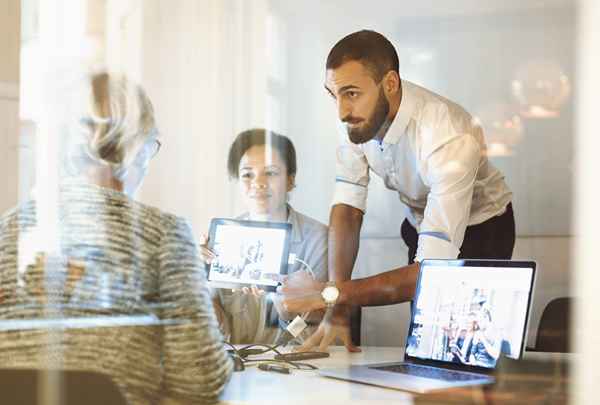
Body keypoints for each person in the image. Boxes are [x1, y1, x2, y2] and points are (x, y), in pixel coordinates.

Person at [0, 72, 232, 404]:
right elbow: (201, 383)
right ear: (140, 149)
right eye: (151, 146)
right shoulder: (166, 234)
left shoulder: (6, 229)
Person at [280, 29, 515, 352]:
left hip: (484, 229)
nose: (341, 112)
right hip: (420, 223)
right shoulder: (352, 115)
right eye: (333, 95)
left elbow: (432, 271)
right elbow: (348, 207)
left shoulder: (449, 135)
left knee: (465, 346)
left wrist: (329, 294)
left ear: (390, 84)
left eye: (350, 93)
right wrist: (336, 309)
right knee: (424, 335)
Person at [201, 129, 328, 344]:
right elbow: (213, 337)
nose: (258, 183)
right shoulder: (222, 240)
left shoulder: (318, 240)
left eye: (270, 173)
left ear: (290, 180)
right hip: (237, 367)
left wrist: (288, 313)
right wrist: (200, 292)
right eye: (247, 174)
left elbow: (314, 334)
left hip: (296, 367)